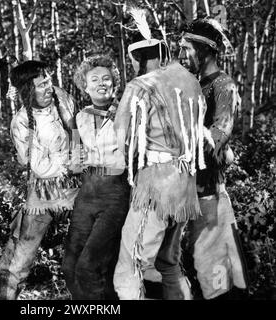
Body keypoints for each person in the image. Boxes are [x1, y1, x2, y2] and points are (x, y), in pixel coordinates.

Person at [112, 7, 207, 300]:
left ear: (141, 58)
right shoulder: (190, 82)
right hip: (184, 185)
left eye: (138, 59)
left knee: (132, 264)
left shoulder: (141, 86)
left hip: (156, 185)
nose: (137, 64)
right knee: (168, 262)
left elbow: (120, 138)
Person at [0, 60, 80, 300]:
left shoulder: (62, 98)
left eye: (49, 81)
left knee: (86, 249)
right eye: (42, 84)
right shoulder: (21, 121)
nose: (49, 87)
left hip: (76, 187)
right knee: (21, 254)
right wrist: (67, 164)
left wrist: (78, 156)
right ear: (27, 91)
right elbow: (34, 164)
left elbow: (77, 130)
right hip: (43, 191)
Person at [178, 18, 248, 299]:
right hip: (185, 194)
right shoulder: (191, 84)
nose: (182, 56)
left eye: (187, 49)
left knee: (215, 275)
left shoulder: (224, 86)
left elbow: (219, 136)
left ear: (205, 50)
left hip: (210, 196)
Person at [62, 55, 130, 300]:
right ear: (85, 86)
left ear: (115, 83)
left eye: (107, 78)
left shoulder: (127, 113)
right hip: (87, 192)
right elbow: (76, 160)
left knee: (90, 266)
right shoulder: (79, 118)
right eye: (94, 79)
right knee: (69, 267)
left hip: (115, 192)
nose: (102, 83)